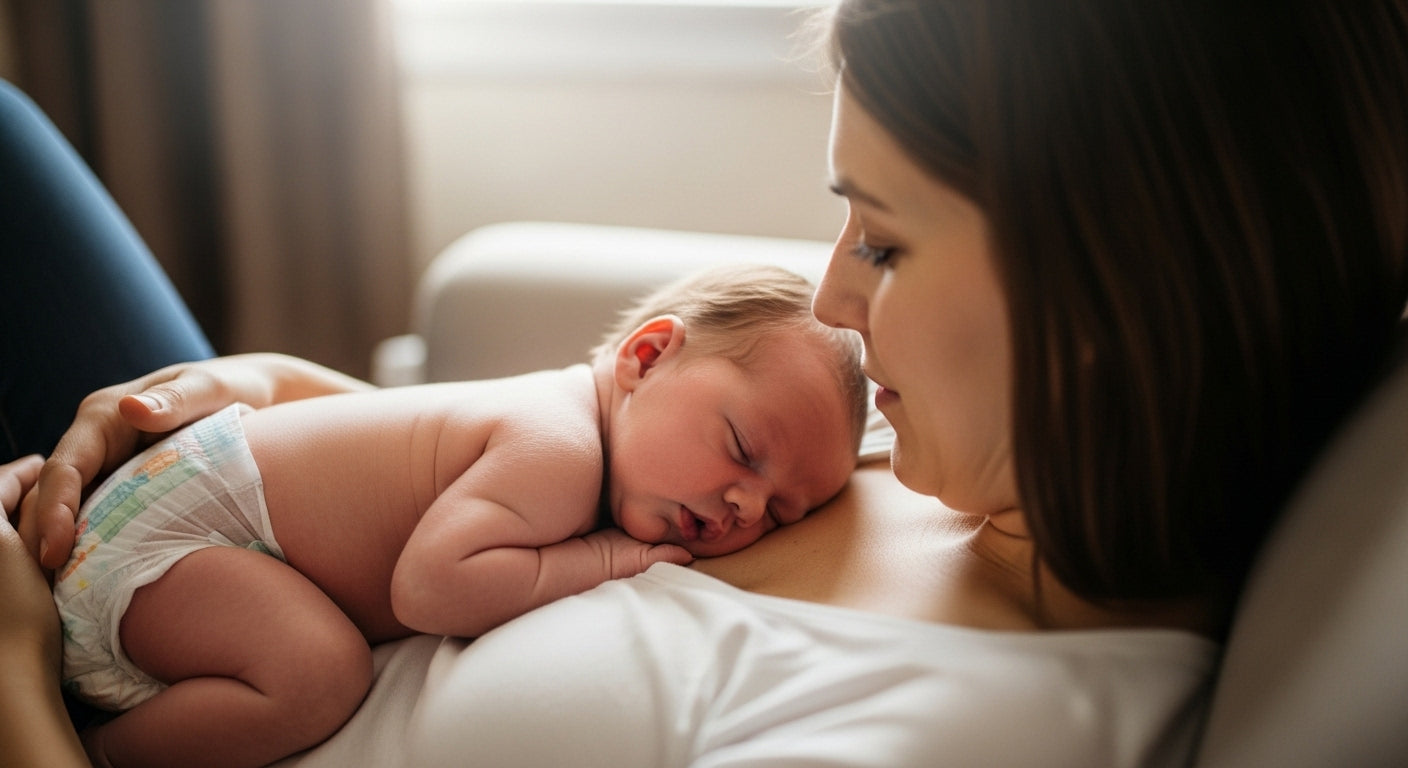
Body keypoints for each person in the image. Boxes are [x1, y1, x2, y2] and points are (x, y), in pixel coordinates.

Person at [4, 0, 1406, 765]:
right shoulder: (915, 444)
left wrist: (13, 672)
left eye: (886, 241)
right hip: (215, 516)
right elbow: (471, 452)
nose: (836, 300)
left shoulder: (970, 728)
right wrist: (245, 393)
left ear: (1098, 289)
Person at [52, 261, 867, 768]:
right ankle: (99, 753)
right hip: (172, 540)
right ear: (647, 357)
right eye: (743, 449)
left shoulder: (553, 418)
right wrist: (606, 559)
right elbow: (431, 590)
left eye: (782, 511)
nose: (746, 505)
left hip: (178, 514)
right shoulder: (561, 451)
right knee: (319, 675)